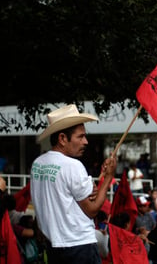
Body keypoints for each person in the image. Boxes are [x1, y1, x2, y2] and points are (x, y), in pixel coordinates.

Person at [30, 104, 117, 264]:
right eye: (80, 136)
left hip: (54, 246)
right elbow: (92, 211)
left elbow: (61, 198)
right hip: (79, 246)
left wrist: (94, 189)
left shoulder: (38, 163)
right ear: (62, 138)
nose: (85, 142)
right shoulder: (72, 165)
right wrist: (108, 178)